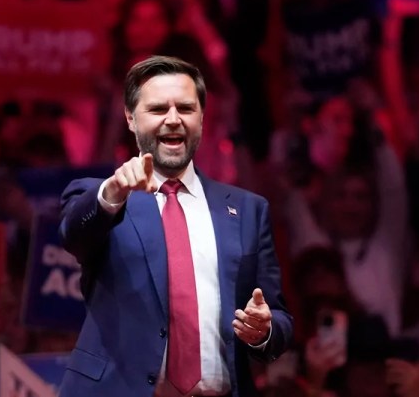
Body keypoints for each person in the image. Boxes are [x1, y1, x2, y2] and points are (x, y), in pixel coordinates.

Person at [58, 56, 293, 397]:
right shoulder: (103, 196)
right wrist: (111, 193)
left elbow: (279, 319)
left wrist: (264, 331)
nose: (173, 120)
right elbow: (74, 235)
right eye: (157, 109)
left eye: (185, 108)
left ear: (201, 117)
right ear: (130, 117)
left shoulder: (247, 210)